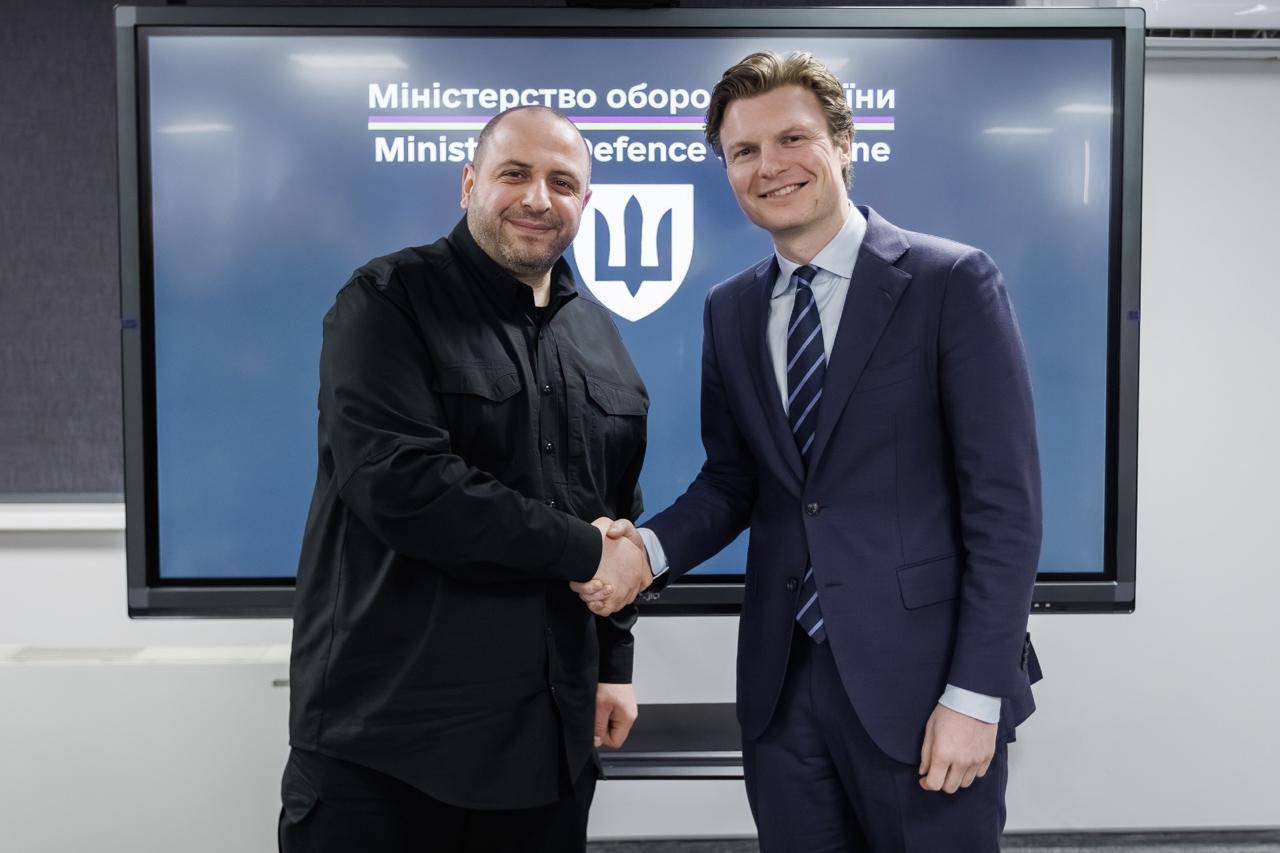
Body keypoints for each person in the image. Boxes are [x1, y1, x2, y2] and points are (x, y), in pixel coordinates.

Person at [577, 51, 1043, 851]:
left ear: (843, 144)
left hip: (926, 685)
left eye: (792, 138)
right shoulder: (729, 309)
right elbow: (733, 481)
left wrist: (976, 693)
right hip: (782, 689)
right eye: (744, 151)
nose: (770, 166)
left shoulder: (951, 281)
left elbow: (1007, 508)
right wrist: (643, 552)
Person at [280, 105, 653, 853]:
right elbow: (403, 484)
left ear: (586, 201)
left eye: (562, 182)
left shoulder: (600, 337)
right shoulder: (387, 300)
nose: (538, 198)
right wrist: (584, 550)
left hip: (544, 751)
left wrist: (613, 664)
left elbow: (617, 506)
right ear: (469, 183)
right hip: (388, 752)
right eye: (515, 173)